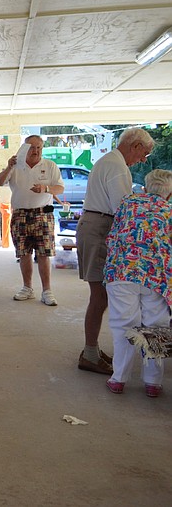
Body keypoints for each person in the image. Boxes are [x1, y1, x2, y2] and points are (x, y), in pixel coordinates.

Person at [75, 127, 154, 375]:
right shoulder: (116, 165)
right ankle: (89, 353)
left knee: (102, 295)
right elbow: (123, 207)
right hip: (99, 228)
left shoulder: (112, 161)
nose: (143, 159)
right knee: (100, 295)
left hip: (98, 225)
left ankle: (92, 351)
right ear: (136, 145)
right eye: (145, 154)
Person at [103, 169, 172, 397]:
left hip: (122, 271)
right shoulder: (169, 210)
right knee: (156, 325)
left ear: (145, 188)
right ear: (169, 194)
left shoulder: (128, 202)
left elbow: (114, 233)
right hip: (157, 277)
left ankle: (118, 379)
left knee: (123, 324)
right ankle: (153, 382)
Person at [0, 135, 64, 305]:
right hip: (20, 215)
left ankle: (47, 291)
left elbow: (60, 187)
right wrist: (9, 167)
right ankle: (27, 288)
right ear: (25, 148)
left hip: (43, 214)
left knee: (44, 254)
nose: (36, 151)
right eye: (32, 147)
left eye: (39, 147)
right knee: (24, 253)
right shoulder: (15, 166)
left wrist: (45, 188)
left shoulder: (49, 165)